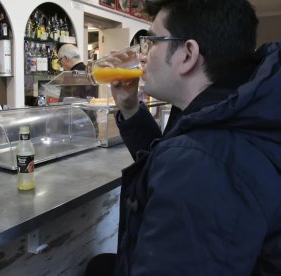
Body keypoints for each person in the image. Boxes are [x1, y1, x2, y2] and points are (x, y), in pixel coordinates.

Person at [86, 0, 281, 275]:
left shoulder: (201, 164)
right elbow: (166, 155)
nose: (142, 55)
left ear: (188, 54)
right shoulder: (230, 109)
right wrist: (130, 108)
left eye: (152, 41)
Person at [57, 44, 99, 136]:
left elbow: (63, 106)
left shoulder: (69, 76)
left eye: (60, 61)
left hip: (75, 130)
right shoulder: (91, 73)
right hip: (92, 125)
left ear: (65, 58)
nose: (61, 65)